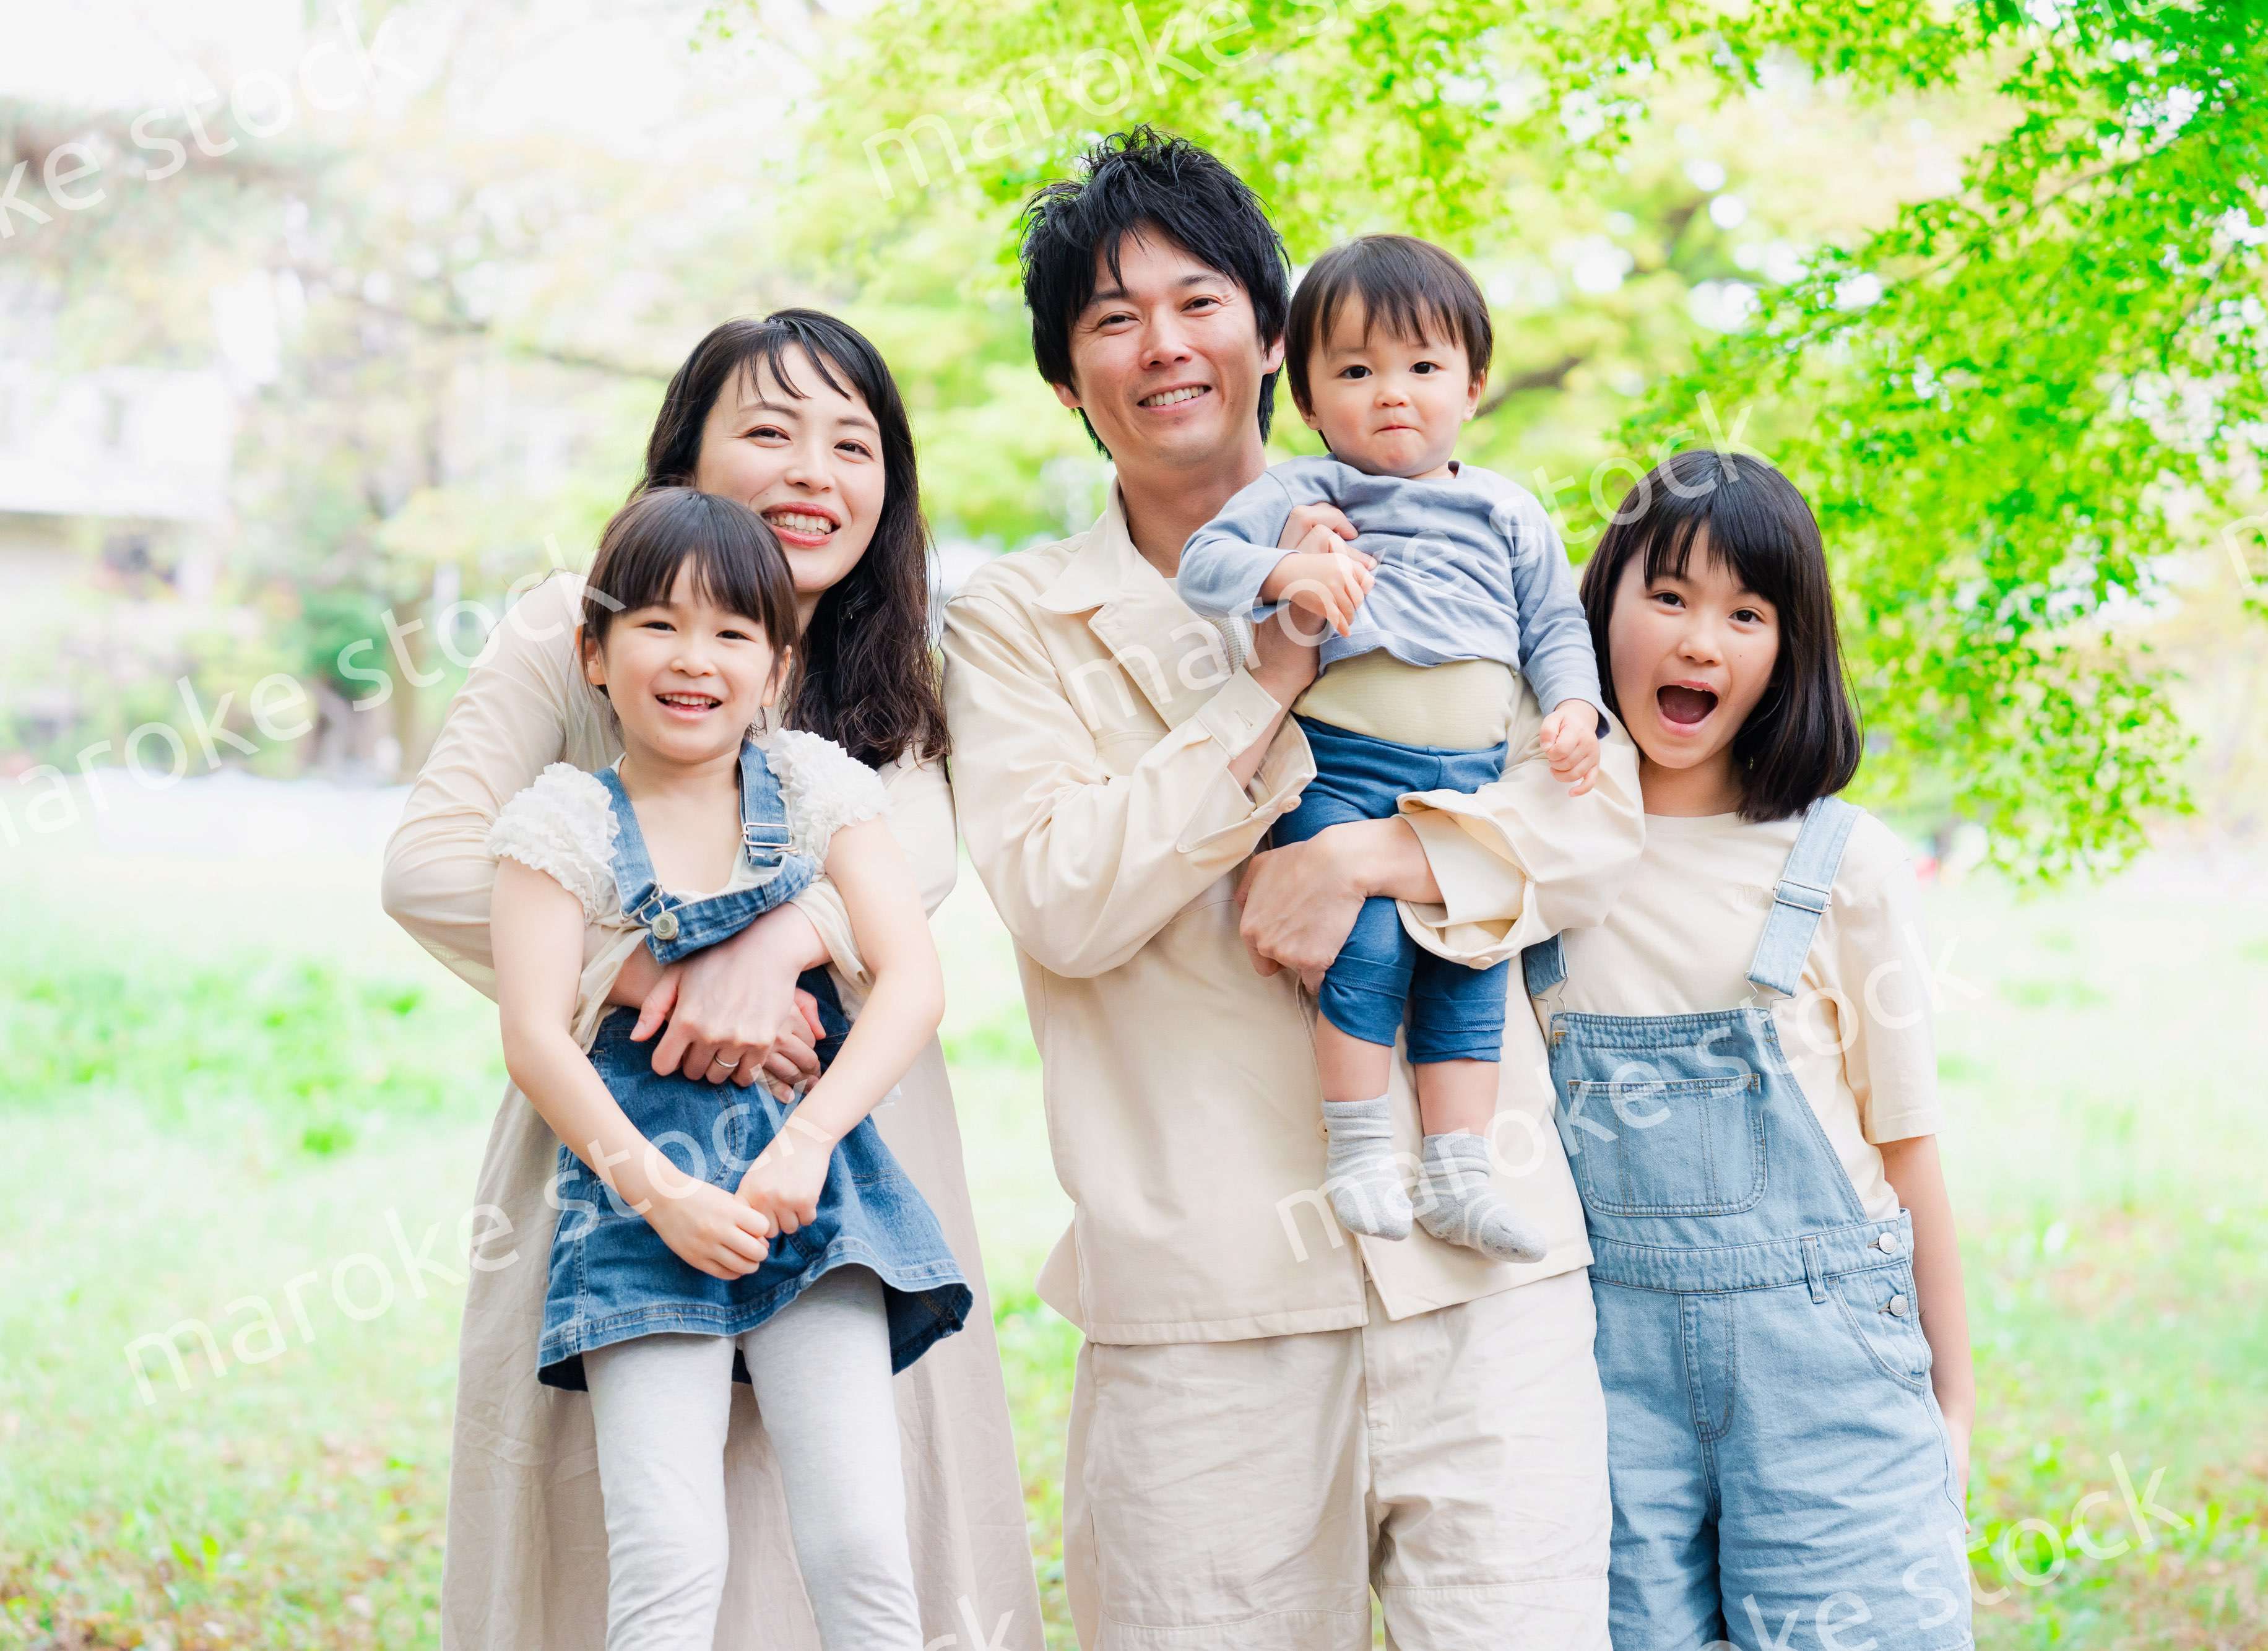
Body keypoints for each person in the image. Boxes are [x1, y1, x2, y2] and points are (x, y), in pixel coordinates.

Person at [940, 126, 1643, 1650]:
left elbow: (1598, 823)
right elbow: (1059, 896)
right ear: (1067, 383)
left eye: (1197, 302)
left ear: (1270, 333)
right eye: (1110, 322)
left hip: (1483, 1278)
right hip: (1206, 1314)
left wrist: (1370, 855)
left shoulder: (1455, 515)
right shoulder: (1015, 621)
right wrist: (1255, 694)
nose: (1161, 346)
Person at [381, 311, 1039, 1651]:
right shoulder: (577, 626)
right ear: (683, 454)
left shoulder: (890, 655)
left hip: (848, 1145)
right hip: (619, 1146)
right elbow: (430, 862)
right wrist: (641, 965)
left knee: (866, 1529)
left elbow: (914, 859)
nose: (815, 471)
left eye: (852, 443)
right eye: (768, 429)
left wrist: (784, 935)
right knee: (646, 1544)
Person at [487, 486, 965, 1647]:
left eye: (732, 631)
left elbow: (912, 981)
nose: (693, 658)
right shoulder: (561, 824)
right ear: (595, 656)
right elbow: (537, 1033)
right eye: (655, 624)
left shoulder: (815, 791)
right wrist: (662, 1193)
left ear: (776, 662)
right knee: (667, 1557)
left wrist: (806, 1144)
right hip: (638, 1209)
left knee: (861, 1545)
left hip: (818, 1200)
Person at [1532, 448, 1976, 1649]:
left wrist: (1953, 1405)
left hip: (1827, 1369)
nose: (1698, 641)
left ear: (1787, 650)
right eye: (1666, 597)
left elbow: (1909, 1148)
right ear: (1598, 608)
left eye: (1745, 613)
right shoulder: (1533, 850)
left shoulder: (1842, 864)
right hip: (1596, 1368)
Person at [1176, 233, 1609, 1262]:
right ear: (1311, 396)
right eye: (1357, 372)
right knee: (1363, 950)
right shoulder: (1307, 490)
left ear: (1473, 384)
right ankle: (1361, 1150)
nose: (1392, 395)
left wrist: (1577, 711)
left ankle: (1460, 1173)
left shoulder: (1507, 508)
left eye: (1423, 368)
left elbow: (1555, 627)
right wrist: (1287, 573)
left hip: (1470, 785)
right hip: (1347, 772)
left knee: (1472, 959)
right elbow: (1204, 565)